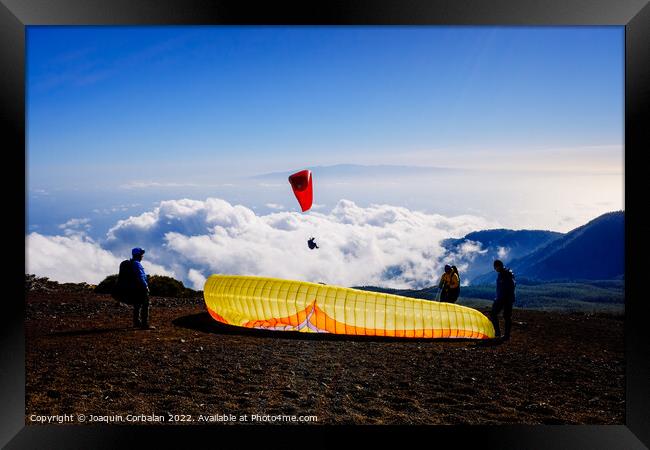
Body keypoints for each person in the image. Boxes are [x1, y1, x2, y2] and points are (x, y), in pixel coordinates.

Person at [121, 247, 153, 330]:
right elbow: (141, 276)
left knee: (137, 305)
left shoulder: (131, 263)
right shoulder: (137, 264)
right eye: (141, 254)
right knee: (145, 305)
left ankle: (136, 322)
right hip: (140, 288)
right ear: (138, 255)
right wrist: (146, 286)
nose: (142, 256)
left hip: (134, 288)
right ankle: (145, 324)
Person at [490, 259, 516, 340]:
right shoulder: (504, 273)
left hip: (505, 299)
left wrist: (500, 298)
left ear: (498, 266)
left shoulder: (505, 274)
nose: (495, 269)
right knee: (505, 316)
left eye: (495, 267)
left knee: (501, 315)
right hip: (506, 298)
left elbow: (508, 287)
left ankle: (501, 334)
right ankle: (503, 335)